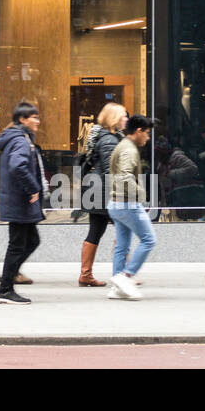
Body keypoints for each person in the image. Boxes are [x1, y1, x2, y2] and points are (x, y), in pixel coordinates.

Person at [0, 103, 47, 305]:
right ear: (22, 120)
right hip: (20, 200)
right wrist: (32, 188)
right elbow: (18, 166)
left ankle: (7, 277)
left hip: (18, 200)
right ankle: (5, 289)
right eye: (34, 117)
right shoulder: (20, 140)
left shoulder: (18, 138)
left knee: (31, 241)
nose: (37, 121)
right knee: (17, 245)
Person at [107, 114, 158, 300]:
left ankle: (116, 287)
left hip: (116, 203)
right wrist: (141, 194)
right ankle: (126, 277)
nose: (148, 137)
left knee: (122, 245)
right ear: (138, 131)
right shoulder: (129, 150)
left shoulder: (122, 146)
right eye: (147, 133)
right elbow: (124, 177)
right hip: (127, 203)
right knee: (149, 239)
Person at [77, 103, 125, 287]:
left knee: (96, 231)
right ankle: (124, 273)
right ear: (113, 118)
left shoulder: (105, 137)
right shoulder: (109, 140)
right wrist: (117, 194)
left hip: (97, 191)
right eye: (122, 116)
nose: (125, 119)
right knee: (124, 229)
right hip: (104, 192)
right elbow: (110, 171)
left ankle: (86, 274)